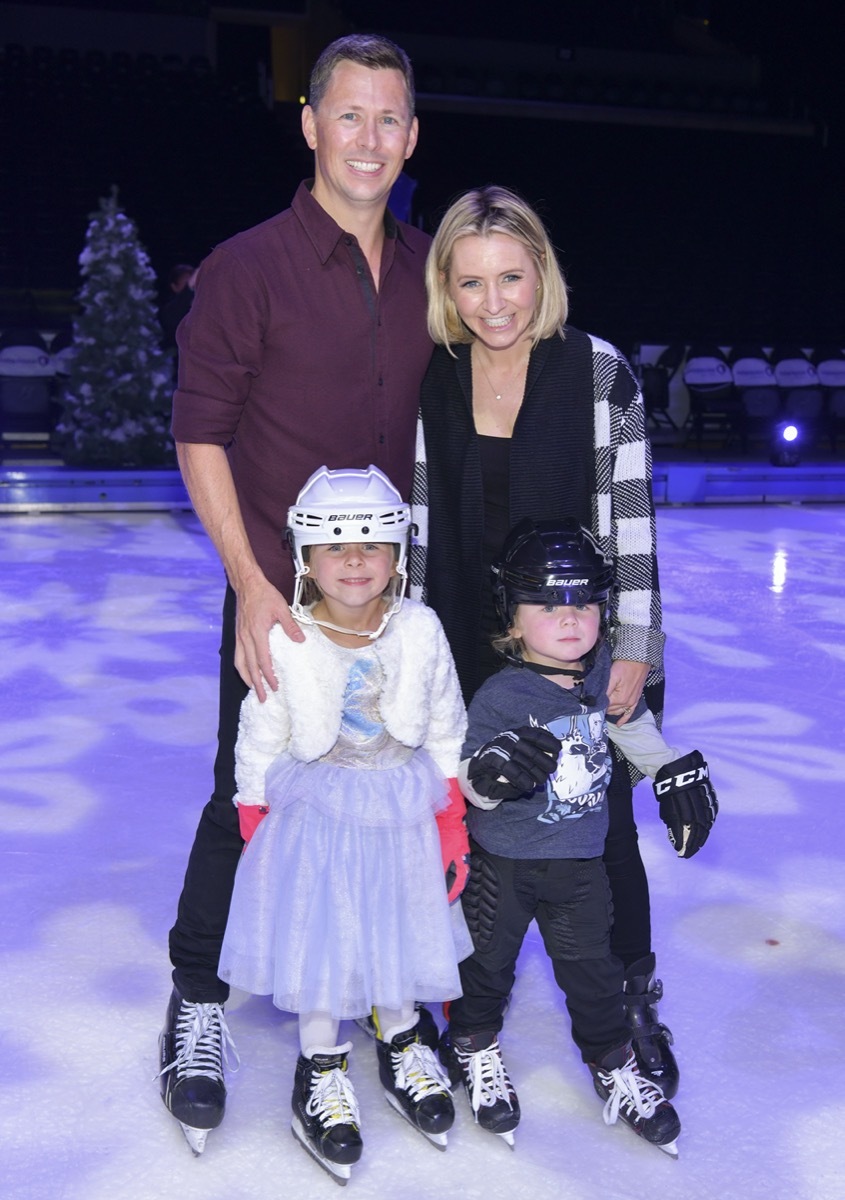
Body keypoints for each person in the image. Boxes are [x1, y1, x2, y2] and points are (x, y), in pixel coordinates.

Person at [159, 33, 432, 1154]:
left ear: (411, 139)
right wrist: (249, 587)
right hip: (282, 601)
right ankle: (196, 1001)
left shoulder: (431, 267)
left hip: (396, 603)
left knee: (389, 800)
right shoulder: (246, 267)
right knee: (252, 801)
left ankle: (381, 992)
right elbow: (198, 434)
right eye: (348, 115)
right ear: (311, 125)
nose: (368, 139)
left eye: (389, 120)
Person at [415, 185, 679, 1095]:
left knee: (598, 831)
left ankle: (628, 993)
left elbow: (633, 518)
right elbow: (415, 518)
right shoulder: (433, 371)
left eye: (512, 277)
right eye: (473, 281)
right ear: (447, 287)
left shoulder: (597, 371)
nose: (495, 302)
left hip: (579, 640)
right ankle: (454, 1005)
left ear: (542, 273)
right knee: (471, 827)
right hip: (464, 641)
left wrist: (635, 647)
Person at [216, 465, 471, 1181]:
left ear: (397, 553)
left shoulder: (419, 627)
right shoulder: (287, 633)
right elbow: (259, 731)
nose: (354, 561)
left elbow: (447, 722)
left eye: (370, 545)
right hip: (317, 812)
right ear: (304, 557)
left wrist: (451, 814)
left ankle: (401, 1037)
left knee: (396, 923)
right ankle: (320, 1064)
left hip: (401, 806)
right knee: (323, 937)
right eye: (334, 547)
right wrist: (251, 811)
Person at [439, 518, 717, 1156]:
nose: (569, 618)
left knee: (594, 975)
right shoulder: (499, 696)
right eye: (547, 602)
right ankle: (474, 1045)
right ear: (512, 619)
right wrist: (486, 776)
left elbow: (632, 724)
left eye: (584, 601)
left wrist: (671, 768)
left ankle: (614, 1062)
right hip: (503, 868)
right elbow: (465, 776)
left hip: (581, 869)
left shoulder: (599, 684)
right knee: (485, 970)